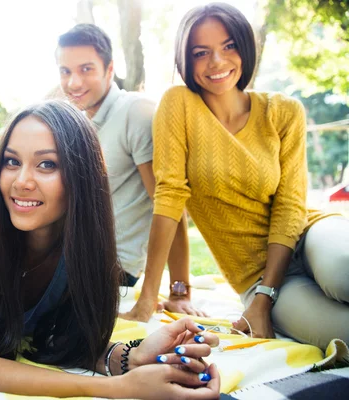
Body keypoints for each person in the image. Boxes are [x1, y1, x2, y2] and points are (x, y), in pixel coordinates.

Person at [0, 100, 220, 399]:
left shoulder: (83, 246)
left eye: (46, 164)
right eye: (12, 161)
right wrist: (118, 388)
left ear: (81, 175)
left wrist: (133, 356)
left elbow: (62, 343)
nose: (21, 181)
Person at [134, 2, 349, 350]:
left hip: (309, 234)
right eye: (201, 52)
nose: (216, 62)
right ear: (186, 60)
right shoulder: (178, 105)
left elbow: (290, 206)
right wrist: (152, 297)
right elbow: (170, 196)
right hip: (253, 274)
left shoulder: (283, 111)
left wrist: (264, 300)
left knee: (344, 272)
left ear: (245, 48)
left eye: (228, 46)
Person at [55, 24, 204, 320]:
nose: (73, 82)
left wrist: (178, 291)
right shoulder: (81, 123)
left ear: (109, 70)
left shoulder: (136, 113)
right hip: (71, 257)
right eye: (65, 71)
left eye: (86, 69)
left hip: (110, 269)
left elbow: (171, 207)